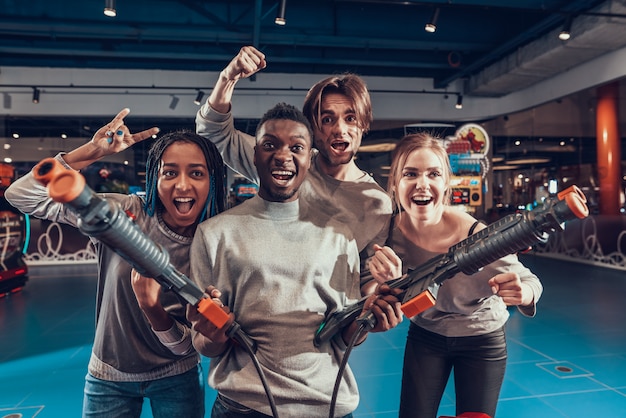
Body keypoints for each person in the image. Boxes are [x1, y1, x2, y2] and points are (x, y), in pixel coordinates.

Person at [5, 108, 227, 418]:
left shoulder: (217, 243)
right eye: (169, 172)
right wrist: (92, 151)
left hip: (177, 376)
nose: (182, 185)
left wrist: (153, 310)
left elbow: (190, 347)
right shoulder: (121, 214)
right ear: (154, 176)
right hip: (109, 376)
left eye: (196, 173)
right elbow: (21, 195)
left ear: (212, 180)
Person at [187, 102, 403, 418]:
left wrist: (370, 319)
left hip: (328, 404)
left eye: (296, 147)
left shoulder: (340, 236)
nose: (282, 155)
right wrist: (212, 333)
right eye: (269, 145)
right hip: (244, 407)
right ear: (256, 155)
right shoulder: (214, 234)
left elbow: (344, 336)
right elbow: (205, 345)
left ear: (308, 158)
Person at [368, 133, 543, 418]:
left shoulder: (474, 234)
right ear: (395, 184)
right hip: (427, 335)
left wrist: (523, 294)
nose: (422, 184)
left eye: (433, 174)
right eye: (410, 174)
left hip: (482, 337)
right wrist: (386, 285)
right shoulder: (389, 234)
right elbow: (375, 290)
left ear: (445, 184)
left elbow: (530, 281)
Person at [195, 46, 392, 282]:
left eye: (350, 118)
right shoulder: (287, 166)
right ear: (311, 128)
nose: (340, 130)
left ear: (363, 124)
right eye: (327, 119)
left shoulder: (376, 204)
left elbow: (366, 277)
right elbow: (214, 134)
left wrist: (382, 290)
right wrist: (227, 79)